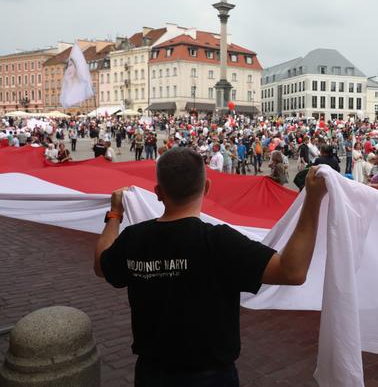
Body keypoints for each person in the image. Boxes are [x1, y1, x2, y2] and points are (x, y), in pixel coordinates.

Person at [94, 148, 327, 387]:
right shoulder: (219, 241)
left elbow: (101, 264)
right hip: (210, 376)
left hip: (151, 373)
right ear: (206, 187)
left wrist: (115, 213)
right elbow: (292, 271)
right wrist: (313, 199)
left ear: (158, 192)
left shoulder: (134, 238)